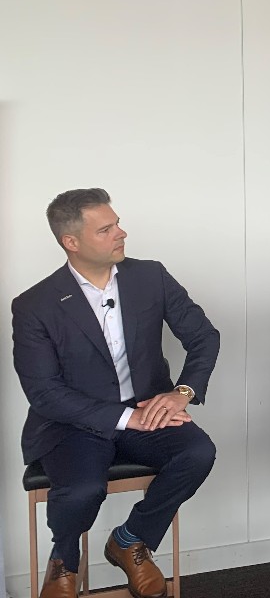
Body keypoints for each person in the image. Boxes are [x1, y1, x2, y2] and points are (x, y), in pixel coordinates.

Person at [12, 188, 219, 598]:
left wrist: (182, 392)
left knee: (198, 453)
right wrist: (128, 419)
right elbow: (44, 393)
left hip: (147, 409)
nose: (121, 232)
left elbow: (204, 337)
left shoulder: (150, 276)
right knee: (83, 489)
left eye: (117, 223)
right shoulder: (34, 304)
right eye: (107, 229)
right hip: (73, 423)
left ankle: (130, 541)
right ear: (71, 242)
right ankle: (65, 560)